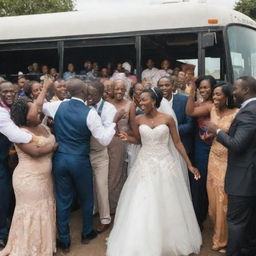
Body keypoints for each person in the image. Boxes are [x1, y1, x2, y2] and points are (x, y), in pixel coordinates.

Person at [107, 87, 202, 256]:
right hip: (144, 164)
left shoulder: (168, 119)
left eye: (144, 99)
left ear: (154, 101)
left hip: (165, 163)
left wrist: (188, 164)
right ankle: (143, 241)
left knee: (168, 200)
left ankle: (171, 240)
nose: (140, 103)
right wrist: (127, 138)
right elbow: (137, 139)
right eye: (139, 100)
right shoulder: (137, 119)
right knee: (143, 201)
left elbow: (178, 143)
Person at [39, 78, 122, 253]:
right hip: (80, 160)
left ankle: (64, 240)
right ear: (84, 93)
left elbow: (42, 106)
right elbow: (105, 139)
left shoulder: (58, 106)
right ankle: (86, 233)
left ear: (68, 92)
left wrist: (46, 89)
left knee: (63, 200)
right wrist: (114, 122)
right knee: (86, 198)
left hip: (60, 159)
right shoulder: (90, 113)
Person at [0, 97, 57, 256]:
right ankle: (28, 249)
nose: (38, 110)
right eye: (34, 109)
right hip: (28, 180)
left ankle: (42, 247)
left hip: (45, 179)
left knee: (45, 209)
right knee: (32, 213)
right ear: (25, 114)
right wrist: (54, 146)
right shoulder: (19, 132)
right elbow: (35, 152)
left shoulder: (43, 127)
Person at [206, 76, 256, 256]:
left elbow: (237, 144)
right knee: (249, 226)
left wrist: (216, 131)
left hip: (244, 179)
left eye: (235, 88)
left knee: (236, 221)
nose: (233, 91)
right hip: (247, 175)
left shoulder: (249, 111)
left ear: (245, 91)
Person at [0, 81, 36, 249]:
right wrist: (41, 139)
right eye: (4, 92)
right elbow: (16, 135)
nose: (9, 94)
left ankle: (12, 229)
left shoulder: (15, 107)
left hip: (13, 162)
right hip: (2, 163)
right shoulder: (1, 112)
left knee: (12, 198)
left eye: (11, 91)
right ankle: (2, 234)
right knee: (3, 198)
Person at [205, 83, 239, 254]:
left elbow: (236, 139)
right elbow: (214, 134)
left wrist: (216, 130)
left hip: (227, 159)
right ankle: (218, 233)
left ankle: (222, 240)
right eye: (214, 95)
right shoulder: (212, 110)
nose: (215, 98)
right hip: (213, 157)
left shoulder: (236, 114)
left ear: (227, 97)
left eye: (218, 95)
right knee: (212, 200)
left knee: (223, 200)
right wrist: (209, 135)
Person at [186, 75, 216, 230]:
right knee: (199, 181)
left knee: (202, 180)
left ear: (212, 88)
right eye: (201, 87)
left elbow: (190, 111)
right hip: (200, 143)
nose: (203, 90)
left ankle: (200, 218)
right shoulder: (202, 103)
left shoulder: (210, 104)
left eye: (206, 87)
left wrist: (191, 91)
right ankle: (198, 217)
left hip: (209, 145)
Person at [87, 81, 116, 233]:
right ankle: (92, 210)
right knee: (87, 185)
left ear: (100, 94)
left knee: (101, 185)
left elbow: (107, 132)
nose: (88, 97)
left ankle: (105, 218)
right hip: (83, 152)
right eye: (87, 93)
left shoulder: (109, 108)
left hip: (99, 153)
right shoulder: (83, 105)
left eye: (92, 94)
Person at [108, 79, 136, 213]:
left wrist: (126, 134)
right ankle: (104, 204)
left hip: (121, 142)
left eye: (122, 89)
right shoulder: (107, 103)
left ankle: (115, 205)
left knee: (117, 173)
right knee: (106, 173)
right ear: (112, 90)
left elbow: (133, 126)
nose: (119, 91)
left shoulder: (130, 105)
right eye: (117, 89)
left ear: (125, 91)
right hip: (107, 141)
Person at [157, 76, 194, 156]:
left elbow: (190, 125)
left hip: (182, 146)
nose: (164, 88)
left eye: (167, 85)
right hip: (161, 148)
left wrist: (172, 130)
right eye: (161, 86)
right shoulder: (153, 103)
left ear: (172, 86)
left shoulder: (184, 100)